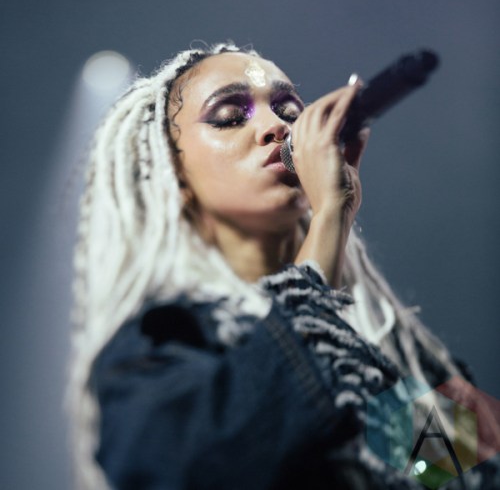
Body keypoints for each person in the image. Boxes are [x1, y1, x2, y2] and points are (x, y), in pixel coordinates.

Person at [68, 41, 499, 490]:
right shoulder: (158, 345)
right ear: (172, 175)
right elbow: (206, 465)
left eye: (290, 112)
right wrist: (329, 217)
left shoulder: (372, 357)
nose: (277, 127)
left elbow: (459, 478)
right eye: (230, 117)